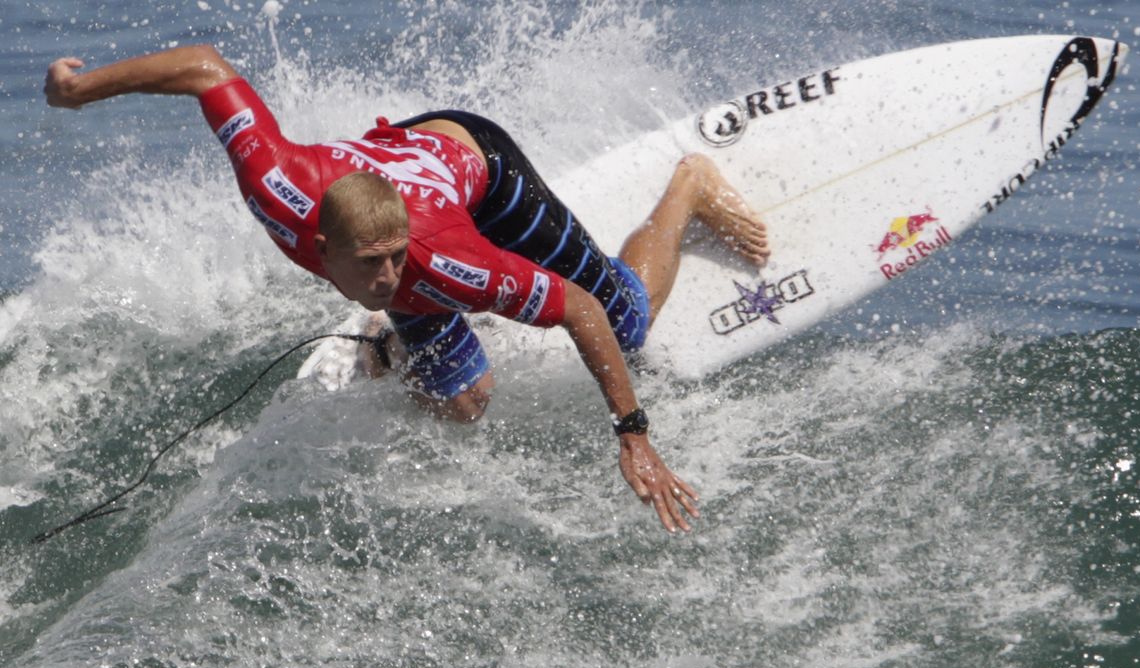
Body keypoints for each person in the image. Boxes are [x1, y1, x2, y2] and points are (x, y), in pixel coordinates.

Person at [44, 45, 770, 534]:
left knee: (626, 322)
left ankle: (690, 185)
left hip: (476, 163)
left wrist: (633, 434)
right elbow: (203, 67)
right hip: (386, 186)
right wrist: (80, 91)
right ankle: (385, 342)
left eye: (396, 262)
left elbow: (578, 311)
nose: (389, 278)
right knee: (461, 406)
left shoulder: (445, 262)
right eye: (373, 266)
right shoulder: (276, 185)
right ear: (323, 248)